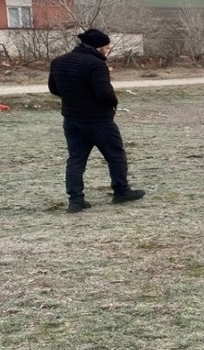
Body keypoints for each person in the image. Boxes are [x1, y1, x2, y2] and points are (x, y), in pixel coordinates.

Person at [48, 28, 146, 213]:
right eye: (107, 46)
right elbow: (104, 93)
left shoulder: (58, 62)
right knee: (115, 155)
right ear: (98, 47)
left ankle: (75, 200)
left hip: (71, 119)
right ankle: (121, 191)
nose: (108, 49)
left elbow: (54, 89)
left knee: (76, 159)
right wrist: (113, 102)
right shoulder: (96, 65)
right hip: (99, 120)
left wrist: (73, 97)